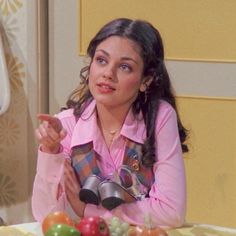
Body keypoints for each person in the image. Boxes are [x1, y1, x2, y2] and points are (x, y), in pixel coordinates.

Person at [32, 18, 188, 228]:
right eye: (102, 60)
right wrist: (50, 152)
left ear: (145, 81)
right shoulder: (66, 126)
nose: (108, 73)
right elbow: (46, 217)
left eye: (124, 67)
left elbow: (171, 212)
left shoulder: (159, 118)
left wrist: (87, 210)